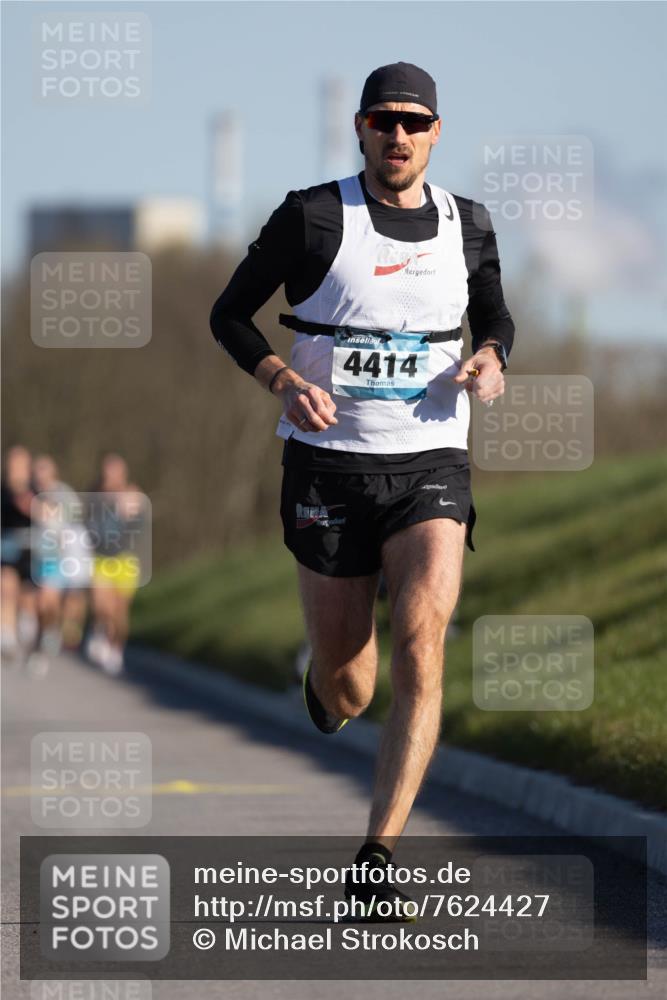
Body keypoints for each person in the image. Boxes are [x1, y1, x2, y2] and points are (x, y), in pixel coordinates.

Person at [210, 62, 514, 921]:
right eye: (384, 120)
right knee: (351, 688)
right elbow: (228, 313)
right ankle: (323, 684)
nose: (398, 134)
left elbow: (494, 315)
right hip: (328, 466)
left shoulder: (467, 223)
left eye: (414, 121)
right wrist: (279, 379)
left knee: (422, 639)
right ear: (360, 128)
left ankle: (376, 858)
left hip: (430, 461)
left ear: (436, 133)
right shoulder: (312, 216)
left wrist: (492, 356)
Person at [85, 453, 145, 675]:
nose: (110, 475)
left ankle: (116, 648)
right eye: (107, 470)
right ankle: (100, 632)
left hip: (125, 559)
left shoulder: (132, 495)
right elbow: (87, 523)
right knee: (103, 605)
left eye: (115, 471)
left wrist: (130, 511)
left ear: (123, 474)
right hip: (101, 557)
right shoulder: (95, 493)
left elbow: (139, 527)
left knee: (119, 610)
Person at [1, 445, 37, 660]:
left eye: (20, 464)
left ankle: (27, 624)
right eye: (13, 464)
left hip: (32, 552)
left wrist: (35, 508)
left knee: (27, 598)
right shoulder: (3, 491)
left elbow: (53, 517)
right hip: (7, 550)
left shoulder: (37, 491)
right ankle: (6, 635)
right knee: (6, 586)